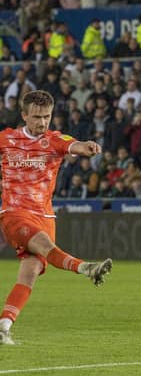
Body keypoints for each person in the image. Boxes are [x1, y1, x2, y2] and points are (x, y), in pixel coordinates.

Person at [0, 90, 113, 346]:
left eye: (47, 117)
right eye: (37, 117)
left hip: (45, 216)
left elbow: (74, 145)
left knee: (30, 271)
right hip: (14, 213)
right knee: (46, 247)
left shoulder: (54, 140)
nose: (42, 122)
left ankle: (3, 325)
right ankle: (87, 268)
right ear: (24, 116)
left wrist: (87, 147)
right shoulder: (6, 139)